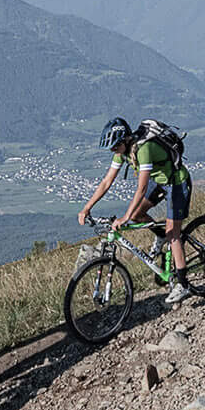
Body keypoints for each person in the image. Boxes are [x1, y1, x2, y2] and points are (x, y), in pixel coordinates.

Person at [78, 117, 193, 305]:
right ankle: (161, 236)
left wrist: (125, 217)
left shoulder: (143, 149)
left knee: (173, 234)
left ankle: (183, 284)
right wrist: (86, 207)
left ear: (125, 140)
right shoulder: (122, 152)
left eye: (115, 146)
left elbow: (141, 188)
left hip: (176, 182)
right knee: (140, 215)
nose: (113, 150)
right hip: (160, 181)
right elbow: (107, 182)